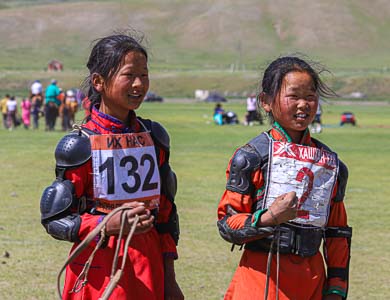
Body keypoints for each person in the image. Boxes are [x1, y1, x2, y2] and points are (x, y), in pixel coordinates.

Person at [39, 33, 183, 300]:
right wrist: (105, 223)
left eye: (144, 75)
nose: (139, 84)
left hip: (148, 267)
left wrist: (170, 279)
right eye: (129, 75)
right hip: (98, 268)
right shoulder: (80, 145)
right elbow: (55, 219)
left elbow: (165, 215)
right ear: (99, 82)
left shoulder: (154, 138)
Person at [217, 56, 352, 300]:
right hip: (260, 280)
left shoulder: (330, 164)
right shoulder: (251, 158)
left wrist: (336, 287)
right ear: (266, 102)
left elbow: (337, 231)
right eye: (294, 96)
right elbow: (227, 223)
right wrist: (267, 218)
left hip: (312, 282)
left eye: (310, 96)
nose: (304, 104)